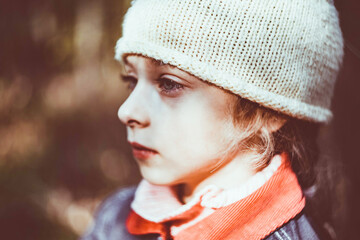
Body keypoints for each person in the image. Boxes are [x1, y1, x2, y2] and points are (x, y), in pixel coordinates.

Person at [81, 0, 344, 239]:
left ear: (271, 112)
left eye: (169, 83)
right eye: (131, 81)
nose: (127, 111)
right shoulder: (116, 218)